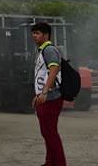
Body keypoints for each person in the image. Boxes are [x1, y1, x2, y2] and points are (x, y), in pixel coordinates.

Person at [31, 22, 66, 166]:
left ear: (46, 35)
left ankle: (59, 163)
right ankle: (50, 162)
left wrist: (44, 92)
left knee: (50, 133)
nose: (34, 36)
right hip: (44, 97)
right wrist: (38, 94)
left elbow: (54, 70)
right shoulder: (42, 50)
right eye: (33, 33)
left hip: (51, 97)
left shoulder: (49, 50)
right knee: (47, 133)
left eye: (38, 33)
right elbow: (42, 75)